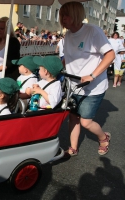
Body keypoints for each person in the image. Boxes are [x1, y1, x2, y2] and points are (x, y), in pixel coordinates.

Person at [59, 1, 115, 157]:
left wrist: (92, 76)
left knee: (86, 122)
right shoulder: (68, 35)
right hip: (73, 85)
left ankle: (104, 137)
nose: (63, 18)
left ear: (76, 15)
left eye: (66, 15)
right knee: (73, 118)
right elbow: (68, 58)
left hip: (93, 86)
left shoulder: (93, 31)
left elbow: (110, 55)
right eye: (61, 15)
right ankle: (73, 147)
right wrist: (56, 68)